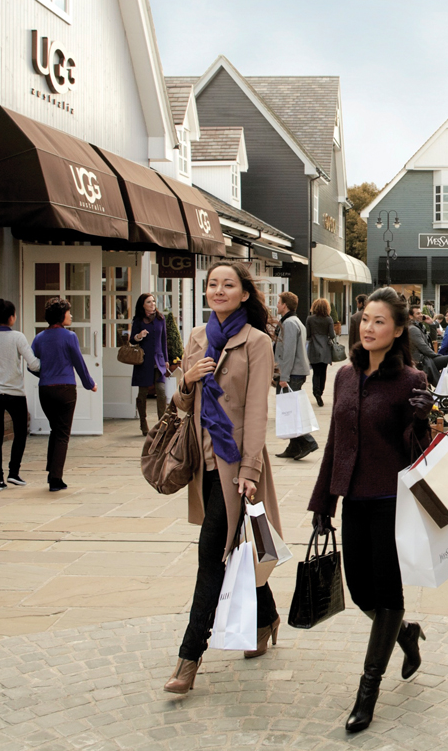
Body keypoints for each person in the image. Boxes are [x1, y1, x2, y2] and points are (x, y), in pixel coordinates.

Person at [309, 288, 433, 733]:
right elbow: (335, 443)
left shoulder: (411, 380)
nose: (368, 327)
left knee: (387, 595)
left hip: (392, 502)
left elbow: (417, 452)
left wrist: (420, 420)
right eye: (365, 319)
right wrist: (323, 502)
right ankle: (405, 634)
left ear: (398, 330)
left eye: (379, 321)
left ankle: (367, 693)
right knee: (361, 592)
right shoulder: (344, 375)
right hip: (353, 500)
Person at [165, 262, 285, 693]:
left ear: (243, 294)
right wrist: (186, 380)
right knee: (231, 546)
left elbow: (256, 410)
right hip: (205, 464)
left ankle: (189, 656)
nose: (218, 290)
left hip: (237, 464)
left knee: (210, 554)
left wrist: (251, 470)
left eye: (227, 285)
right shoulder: (198, 338)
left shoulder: (256, 342)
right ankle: (266, 618)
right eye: (212, 284)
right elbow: (183, 404)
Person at [30, 298, 96, 492]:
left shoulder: (39, 338)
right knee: (62, 434)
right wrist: (90, 384)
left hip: (45, 389)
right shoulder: (69, 337)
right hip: (65, 389)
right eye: (69, 312)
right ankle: (55, 478)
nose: (71, 315)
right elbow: (79, 363)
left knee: (55, 429)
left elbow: (31, 364)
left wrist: (44, 374)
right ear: (62, 316)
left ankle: (52, 468)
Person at [0, 299, 39, 491]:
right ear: (11, 317)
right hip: (14, 393)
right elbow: (34, 364)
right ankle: (14, 472)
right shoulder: (17, 337)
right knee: (20, 433)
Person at [274, 291, 318, 460]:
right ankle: (293, 447)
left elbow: (289, 351)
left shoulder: (290, 323)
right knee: (289, 408)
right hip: (293, 372)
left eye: (279, 302)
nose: (277, 305)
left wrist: (284, 376)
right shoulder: (292, 321)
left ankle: (308, 441)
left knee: (289, 410)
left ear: (285, 305)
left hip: (291, 374)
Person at [130, 292, 168, 436]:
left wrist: (166, 360)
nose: (153, 304)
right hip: (143, 361)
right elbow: (132, 340)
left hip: (158, 360)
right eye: (149, 302)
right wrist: (139, 336)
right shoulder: (138, 320)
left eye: (153, 301)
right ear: (143, 305)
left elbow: (164, 339)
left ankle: (162, 425)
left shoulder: (160, 318)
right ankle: (143, 423)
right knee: (143, 393)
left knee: (161, 391)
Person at [408, 304, 448, 385]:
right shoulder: (412, 329)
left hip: (427, 359)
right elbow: (423, 347)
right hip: (422, 362)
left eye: (421, 313)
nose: (420, 315)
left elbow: (432, 339)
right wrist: (437, 356)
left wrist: (432, 324)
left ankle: (444, 382)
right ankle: (445, 383)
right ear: (410, 316)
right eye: (417, 314)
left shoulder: (420, 326)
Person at [306, 297, 338, 408]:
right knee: (323, 371)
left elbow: (308, 335)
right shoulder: (328, 319)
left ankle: (316, 392)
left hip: (314, 347)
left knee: (316, 372)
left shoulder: (310, 319)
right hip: (325, 348)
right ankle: (321, 392)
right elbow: (332, 335)